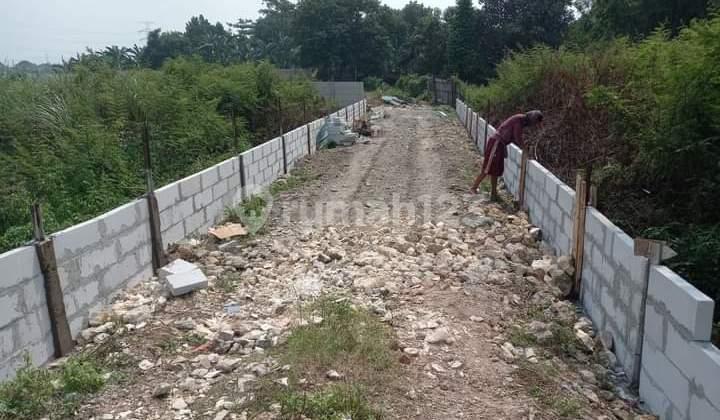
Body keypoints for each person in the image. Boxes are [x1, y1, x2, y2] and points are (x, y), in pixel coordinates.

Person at [470, 110, 544, 200]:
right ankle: (474, 188)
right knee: (487, 168)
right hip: (496, 143)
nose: (534, 125)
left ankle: (493, 193)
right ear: (532, 119)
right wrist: (525, 150)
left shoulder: (522, 121)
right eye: (535, 123)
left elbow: (515, 136)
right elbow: (517, 137)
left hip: (500, 145)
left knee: (495, 170)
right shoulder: (519, 120)